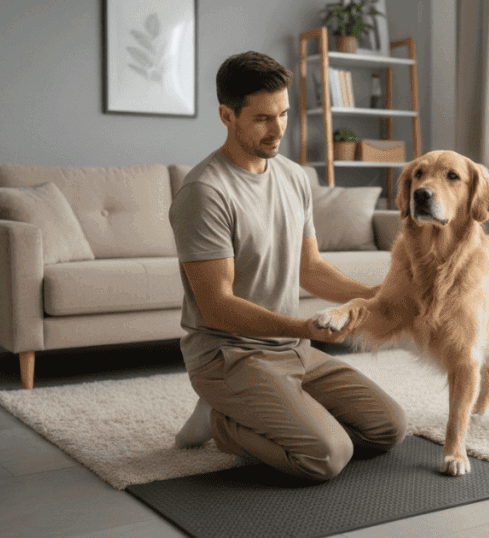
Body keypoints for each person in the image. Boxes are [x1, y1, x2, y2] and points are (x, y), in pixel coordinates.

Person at [168, 51, 407, 482]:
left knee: (389, 427)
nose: (279, 129)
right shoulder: (204, 192)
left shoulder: (294, 177)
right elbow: (218, 307)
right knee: (328, 455)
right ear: (227, 115)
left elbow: (311, 268)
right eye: (262, 118)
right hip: (228, 355)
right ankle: (221, 420)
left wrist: (380, 297)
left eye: (283, 113)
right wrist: (303, 329)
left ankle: (273, 406)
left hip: (290, 350)